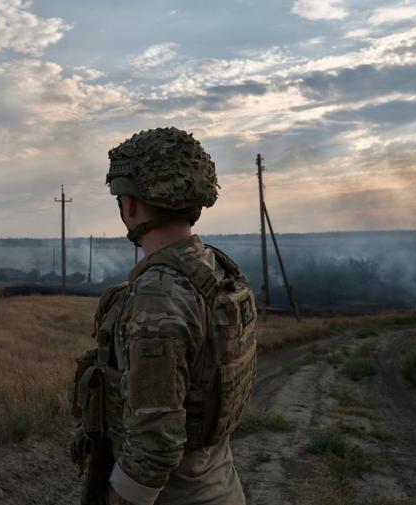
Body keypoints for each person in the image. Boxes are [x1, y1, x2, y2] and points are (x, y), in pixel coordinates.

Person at [71, 127, 258, 505]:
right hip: (219, 483)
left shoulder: (159, 294)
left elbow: (155, 443)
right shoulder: (214, 269)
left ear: (132, 205)